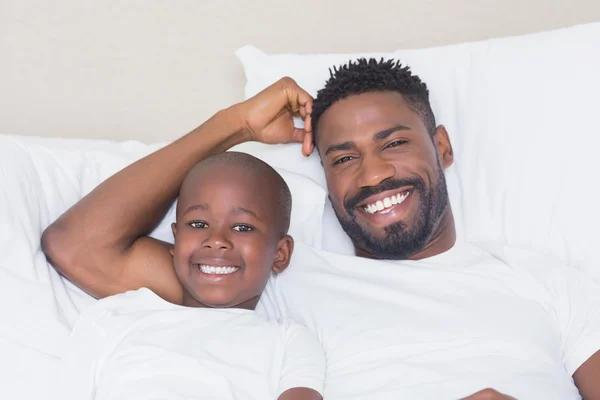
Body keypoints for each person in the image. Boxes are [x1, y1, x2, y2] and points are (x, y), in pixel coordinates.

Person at [42, 60, 600, 399]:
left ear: (444, 148)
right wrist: (234, 125)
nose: (374, 175)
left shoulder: (547, 280)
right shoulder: (279, 274)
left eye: (395, 143)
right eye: (343, 158)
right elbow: (82, 247)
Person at [51, 152, 325, 400]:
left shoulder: (289, 341)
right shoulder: (115, 316)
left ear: (280, 254)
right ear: (176, 239)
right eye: (198, 224)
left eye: (242, 227)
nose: (216, 240)